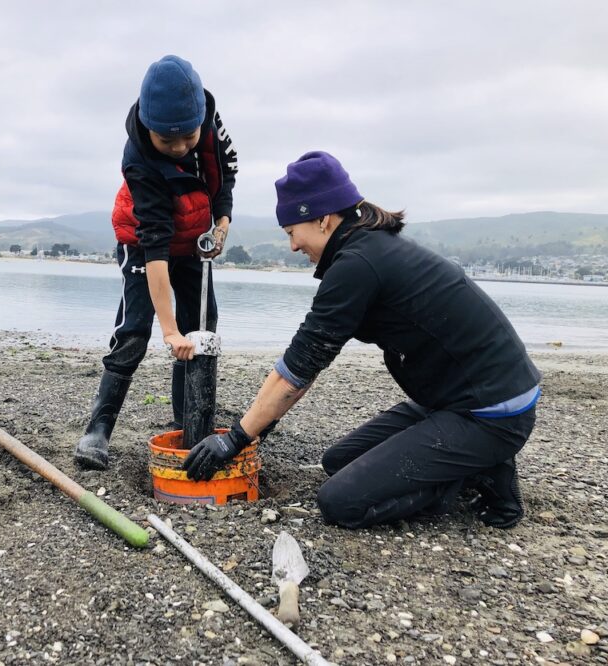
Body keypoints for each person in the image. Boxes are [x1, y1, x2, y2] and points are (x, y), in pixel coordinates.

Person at [183, 151, 540, 529]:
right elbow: (304, 365)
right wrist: (255, 427)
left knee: (341, 503)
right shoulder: (369, 249)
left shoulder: (358, 265)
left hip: (491, 412)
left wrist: (234, 439)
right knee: (338, 462)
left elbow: (298, 371)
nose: (291, 246)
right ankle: (471, 459)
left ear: (322, 219)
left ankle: (480, 470)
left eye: (291, 232)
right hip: (452, 400)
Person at [75, 55, 237, 469]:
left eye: (188, 136)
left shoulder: (209, 121)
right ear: (150, 128)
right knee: (134, 331)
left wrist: (221, 224)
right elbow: (156, 249)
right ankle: (98, 428)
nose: (181, 146)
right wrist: (168, 331)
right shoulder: (138, 160)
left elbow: (225, 174)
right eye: (169, 141)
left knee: (202, 328)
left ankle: (190, 424)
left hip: (194, 236)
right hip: (145, 244)